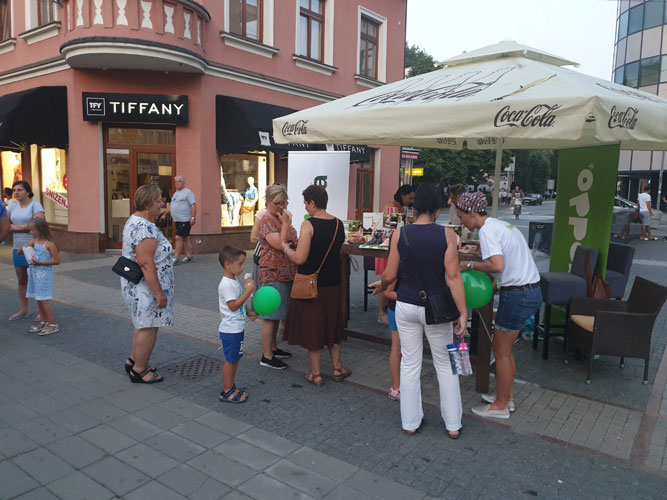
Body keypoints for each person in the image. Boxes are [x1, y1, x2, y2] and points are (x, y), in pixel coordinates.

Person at [377, 184, 467, 438]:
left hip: (406, 306)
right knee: (445, 365)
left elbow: (390, 274)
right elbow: (453, 277)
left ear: (414, 209)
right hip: (437, 309)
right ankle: (452, 425)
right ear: (437, 211)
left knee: (409, 363)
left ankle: (410, 422)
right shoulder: (448, 235)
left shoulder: (400, 234)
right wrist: (462, 312)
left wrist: (381, 286)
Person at [457, 192, 541, 419]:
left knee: (501, 351)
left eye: (461, 216)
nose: (461, 222)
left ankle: (501, 405)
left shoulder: (487, 231)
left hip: (518, 294)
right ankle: (507, 397)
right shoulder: (501, 225)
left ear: (472, 213)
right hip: (529, 290)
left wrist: (469, 264)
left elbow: (497, 265)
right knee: (505, 350)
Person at [282, 185, 348, 387]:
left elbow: (300, 258)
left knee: (314, 328)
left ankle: (316, 374)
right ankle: (337, 368)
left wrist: (286, 249)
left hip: (312, 285)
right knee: (333, 326)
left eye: (305, 203)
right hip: (334, 284)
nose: (305, 207)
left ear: (312, 203)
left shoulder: (308, 225)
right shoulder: (338, 224)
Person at [121, 184, 174, 383]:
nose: (162, 204)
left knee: (142, 325)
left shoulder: (135, 220)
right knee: (149, 327)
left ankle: (134, 361)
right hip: (145, 288)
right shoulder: (145, 227)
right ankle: (140, 371)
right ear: (148, 203)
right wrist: (159, 293)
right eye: (158, 201)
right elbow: (145, 263)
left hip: (138, 286)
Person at [257, 184, 295, 369]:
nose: (281, 207)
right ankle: (267, 356)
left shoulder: (279, 218)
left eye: (284, 203)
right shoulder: (266, 221)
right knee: (270, 316)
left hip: (284, 272)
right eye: (278, 203)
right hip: (272, 272)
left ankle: (273, 347)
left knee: (277, 314)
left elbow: (293, 238)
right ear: (268, 202)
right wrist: (286, 223)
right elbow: (281, 244)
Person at [217, 246, 256, 404]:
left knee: (235, 359)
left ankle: (231, 386)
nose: (243, 267)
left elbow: (239, 301)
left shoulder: (234, 281)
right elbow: (232, 305)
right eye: (240, 264)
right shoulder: (226, 284)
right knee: (231, 360)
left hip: (237, 328)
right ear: (228, 265)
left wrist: (248, 312)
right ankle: (227, 391)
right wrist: (248, 292)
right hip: (230, 330)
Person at [376, 184, 415, 324]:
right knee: (386, 279)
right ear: (402, 195)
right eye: (410, 197)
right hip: (388, 247)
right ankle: (381, 312)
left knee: (391, 279)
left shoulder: (400, 208)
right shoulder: (391, 207)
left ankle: (388, 310)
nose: (411, 201)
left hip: (395, 247)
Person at [7, 181, 45, 321]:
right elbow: (5, 225)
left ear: (28, 192)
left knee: (37, 280)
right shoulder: (12, 206)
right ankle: (24, 309)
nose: (16, 192)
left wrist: (15, 227)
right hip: (18, 248)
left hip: (34, 247)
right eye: (14, 190)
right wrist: (24, 227)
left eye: (20, 190)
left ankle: (43, 311)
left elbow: (38, 224)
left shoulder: (35, 205)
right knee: (22, 280)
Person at [19, 218, 60, 335]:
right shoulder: (34, 241)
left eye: (32, 230)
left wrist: (40, 263)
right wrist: (24, 247)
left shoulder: (50, 244)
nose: (30, 232)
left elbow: (57, 261)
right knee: (38, 298)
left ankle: (53, 324)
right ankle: (43, 321)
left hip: (44, 275)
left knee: (43, 299)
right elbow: (19, 252)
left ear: (40, 230)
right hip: (34, 274)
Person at [161, 175, 196, 263]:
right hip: (177, 220)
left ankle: (176, 257)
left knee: (178, 237)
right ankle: (189, 256)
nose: (177, 183)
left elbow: (193, 205)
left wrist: (193, 217)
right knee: (185, 237)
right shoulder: (175, 194)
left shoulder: (188, 192)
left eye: (179, 181)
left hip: (185, 219)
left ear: (184, 183)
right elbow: (172, 205)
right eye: (176, 182)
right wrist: (165, 214)